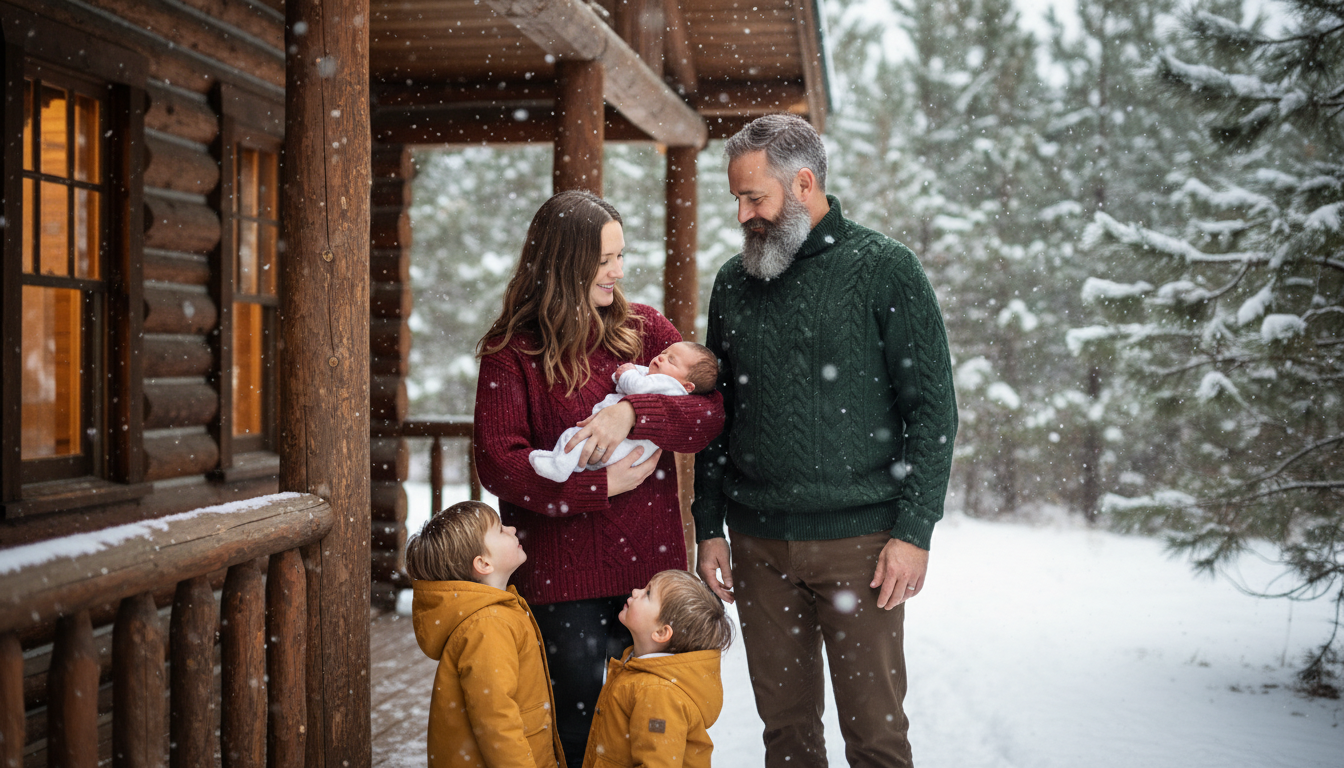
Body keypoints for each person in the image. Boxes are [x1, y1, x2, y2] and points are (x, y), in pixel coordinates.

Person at [692, 114, 958, 768]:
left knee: (875, 738)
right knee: (786, 739)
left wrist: (915, 529)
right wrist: (709, 525)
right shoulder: (733, 282)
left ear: (804, 183)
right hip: (758, 546)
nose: (742, 215)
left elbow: (932, 410)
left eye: (754, 198)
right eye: (736, 199)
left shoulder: (886, 270)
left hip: (861, 548)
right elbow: (715, 413)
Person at [473, 190, 726, 767]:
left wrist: (633, 412)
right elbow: (498, 462)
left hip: (650, 580)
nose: (617, 271)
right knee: (579, 735)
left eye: (620, 255)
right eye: (604, 259)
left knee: (656, 736)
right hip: (563, 582)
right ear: (563, 264)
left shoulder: (644, 330)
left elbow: (709, 413)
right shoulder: (511, 352)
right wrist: (595, 488)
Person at [406, 500, 565, 768]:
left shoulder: (498, 613)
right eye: (502, 530)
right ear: (483, 563)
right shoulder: (488, 625)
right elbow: (496, 719)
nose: (513, 529)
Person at [582, 569, 733, 768]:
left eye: (648, 594)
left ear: (662, 632)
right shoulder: (639, 669)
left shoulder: (658, 694)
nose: (635, 591)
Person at [530, 341, 719, 482]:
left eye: (671, 360)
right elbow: (636, 375)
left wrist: (626, 374)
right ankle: (565, 465)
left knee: (574, 438)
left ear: (687, 386)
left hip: (623, 445)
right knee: (581, 446)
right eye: (664, 352)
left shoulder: (668, 384)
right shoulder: (665, 381)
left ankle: (559, 466)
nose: (661, 357)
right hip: (628, 453)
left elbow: (637, 385)